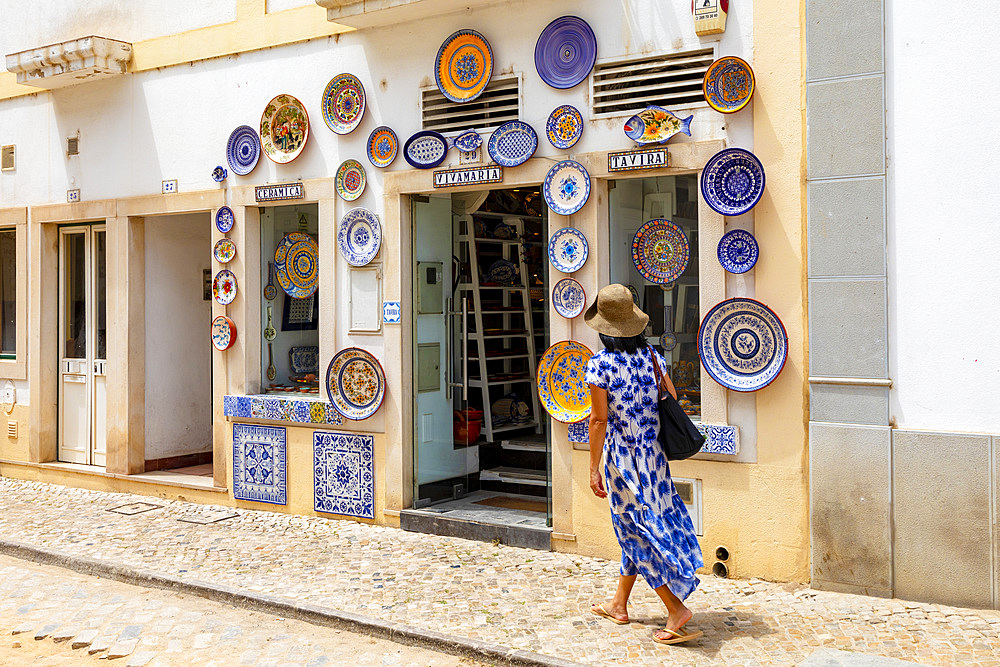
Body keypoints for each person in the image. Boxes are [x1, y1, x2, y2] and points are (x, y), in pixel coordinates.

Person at [583, 284, 704, 646]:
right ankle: (619, 604)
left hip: (623, 464)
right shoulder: (654, 357)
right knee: (639, 527)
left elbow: (598, 421)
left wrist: (593, 467)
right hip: (654, 459)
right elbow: (673, 395)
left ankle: (675, 606)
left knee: (632, 531)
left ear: (604, 329)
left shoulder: (599, 366)